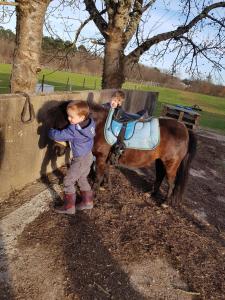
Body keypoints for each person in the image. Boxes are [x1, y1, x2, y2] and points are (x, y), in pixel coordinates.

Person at [48, 100, 95, 215]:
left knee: (68, 181)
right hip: (89, 156)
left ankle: (69, 207)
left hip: (79, 160)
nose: (69, 119)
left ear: (81, 117)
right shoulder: (90, 123)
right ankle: (88, 202)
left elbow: (58, 135)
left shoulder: (73, 130)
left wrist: (50, 130)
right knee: (82, 178)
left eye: (71, 117)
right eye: (68, 116)